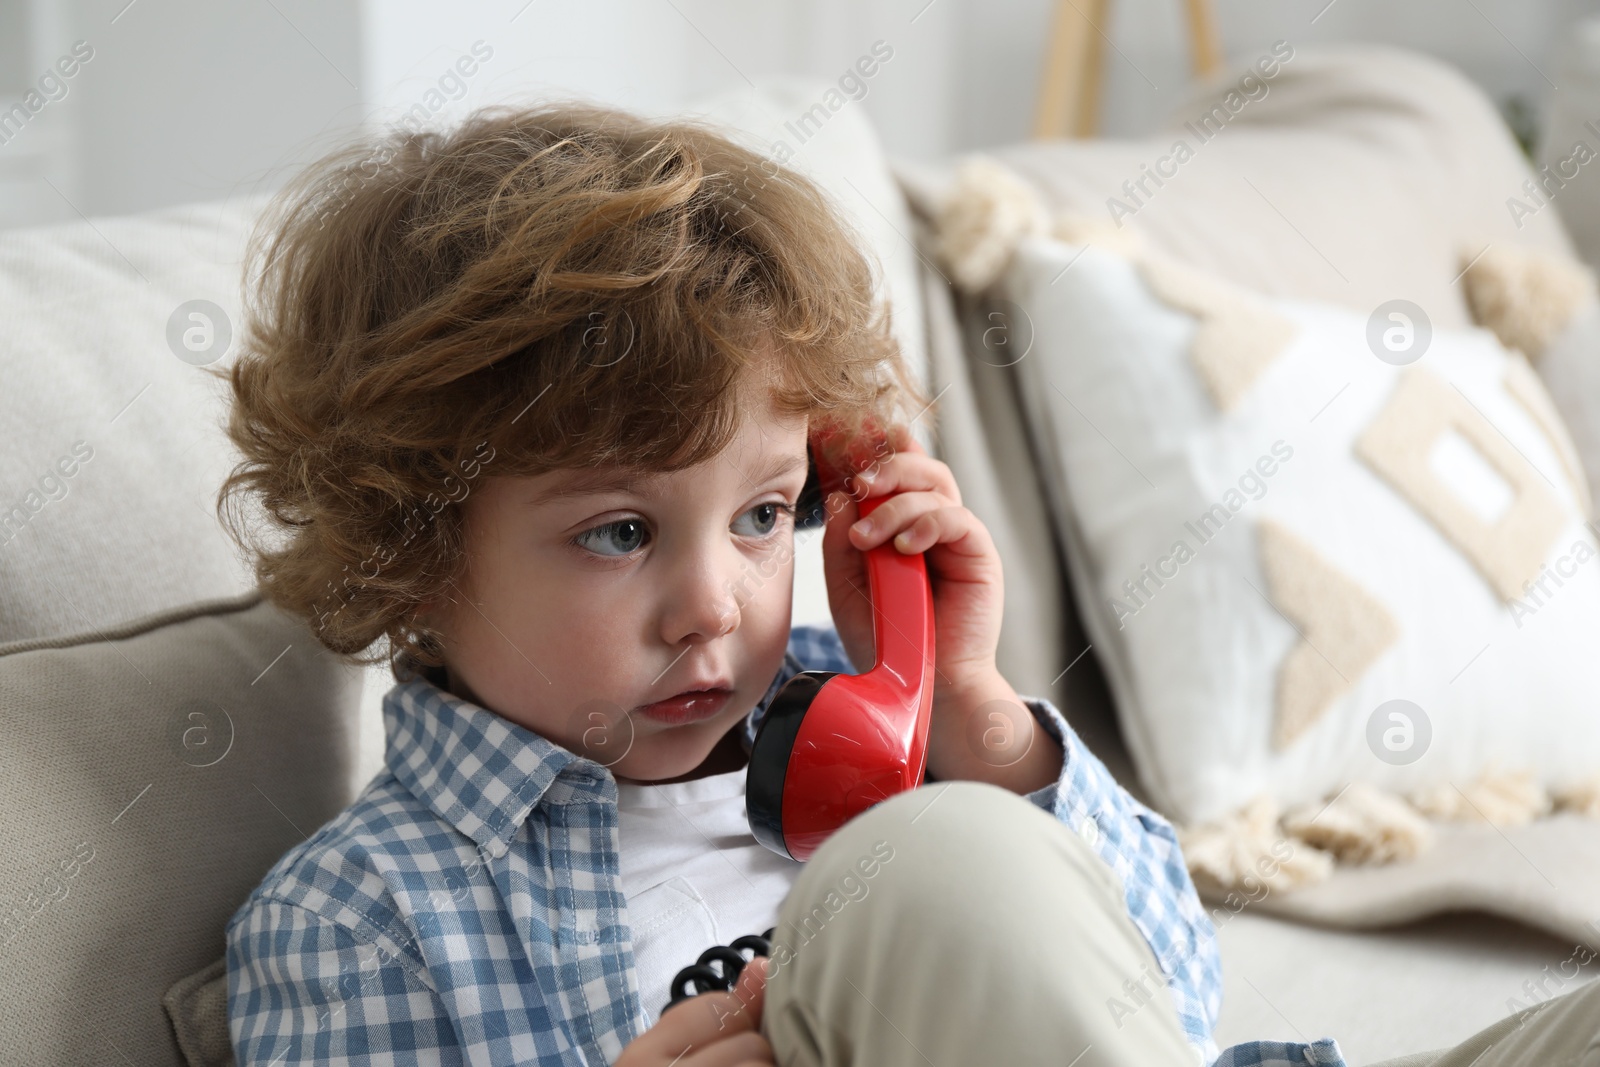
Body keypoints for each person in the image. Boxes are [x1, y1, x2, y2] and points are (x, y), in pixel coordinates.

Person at [214, 101, 1599, 1067]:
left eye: (764, 514)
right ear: (412, 544)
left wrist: (974, 717)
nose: (717, 602)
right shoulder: (358, 922)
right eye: (621, 533)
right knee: (920, 866)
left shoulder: (892, 736)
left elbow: (1172, 1002)